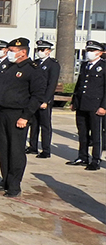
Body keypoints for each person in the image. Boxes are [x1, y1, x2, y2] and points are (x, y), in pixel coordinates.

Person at [0, 38, 45, 197]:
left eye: (11, 51)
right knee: (3, 149)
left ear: (23, 52)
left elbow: (37, 96)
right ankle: (5, 180)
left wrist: (26, 117)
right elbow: (3, 90)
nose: (8, 53)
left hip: (19, 115)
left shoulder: (32, 69)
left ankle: (14, 185)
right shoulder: (10, 68)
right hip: (4, 112)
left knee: (16, 151)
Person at [66, 40, 106, 170]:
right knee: (82, 133)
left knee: (96, 134)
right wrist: (74, 101)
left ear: (100, 53)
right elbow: (79, 85)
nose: (89, 53)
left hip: (96, 105)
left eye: (92, 51)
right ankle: (82, 156)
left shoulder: (103, 66)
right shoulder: (84, 66)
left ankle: (96, 159)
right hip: (82, 103)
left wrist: (103, 106)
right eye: (88, 51)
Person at [26, 40, 60, 158]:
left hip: (44, 99)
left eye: (42, 50)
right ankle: (33, 147)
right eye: (38, 50)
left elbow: (52, 84)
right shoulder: (35, 64)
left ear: (48, 51)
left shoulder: (53, 64)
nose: (39, 52)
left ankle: (46, 150)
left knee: (45, 125)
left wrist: (46, 100)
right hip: (34, 99)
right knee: (33, 123)